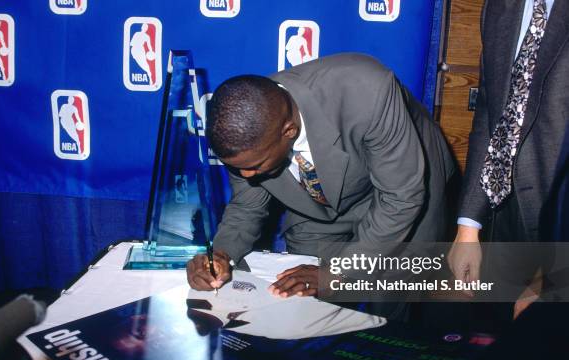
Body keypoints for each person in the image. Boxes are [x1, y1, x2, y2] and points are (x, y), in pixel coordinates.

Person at [187, 53, 456, 307]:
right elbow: (247, 207)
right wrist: (219, 256)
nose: (246, 176)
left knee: (387, 296)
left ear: (288, 131)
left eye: (254, 167)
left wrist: (338, 273)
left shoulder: (367, 91)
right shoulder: (247, 135)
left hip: (407, 185)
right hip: (318, 198)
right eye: (237, 169)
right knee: (297, 291)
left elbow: (401, 199)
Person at [448, 0, 568, 318]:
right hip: (501, 217)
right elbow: (491, 112)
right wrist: (468, 227)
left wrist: (556, 273)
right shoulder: (498, 7)